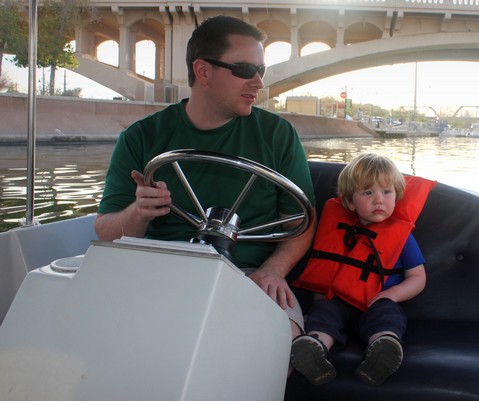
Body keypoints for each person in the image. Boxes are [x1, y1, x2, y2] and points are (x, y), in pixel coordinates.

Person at [94, 15, 316, 341]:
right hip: (157, 270)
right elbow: (105, 233)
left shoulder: (278, 136)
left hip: (250, 275)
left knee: (282, 341)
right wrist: (138, 212)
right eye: (244, 70)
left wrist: (273, 270)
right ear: (203, 71)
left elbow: (302, 224)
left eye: (261, 71)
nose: (258, 82)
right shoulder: (141, 138)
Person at [291, 153, 432, 386]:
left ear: (397, 196)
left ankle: (382, 350)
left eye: (386, 192)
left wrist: (392, 295)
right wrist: (318, 301)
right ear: (349, 202)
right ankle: (315, 349)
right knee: (324, 314)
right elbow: (326, 269)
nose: (379, 200)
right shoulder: (337, 230)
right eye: (368, 193)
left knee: (388, 315)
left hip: (377, 302)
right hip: (339, 302)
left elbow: (418, 277)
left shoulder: (402, 237)